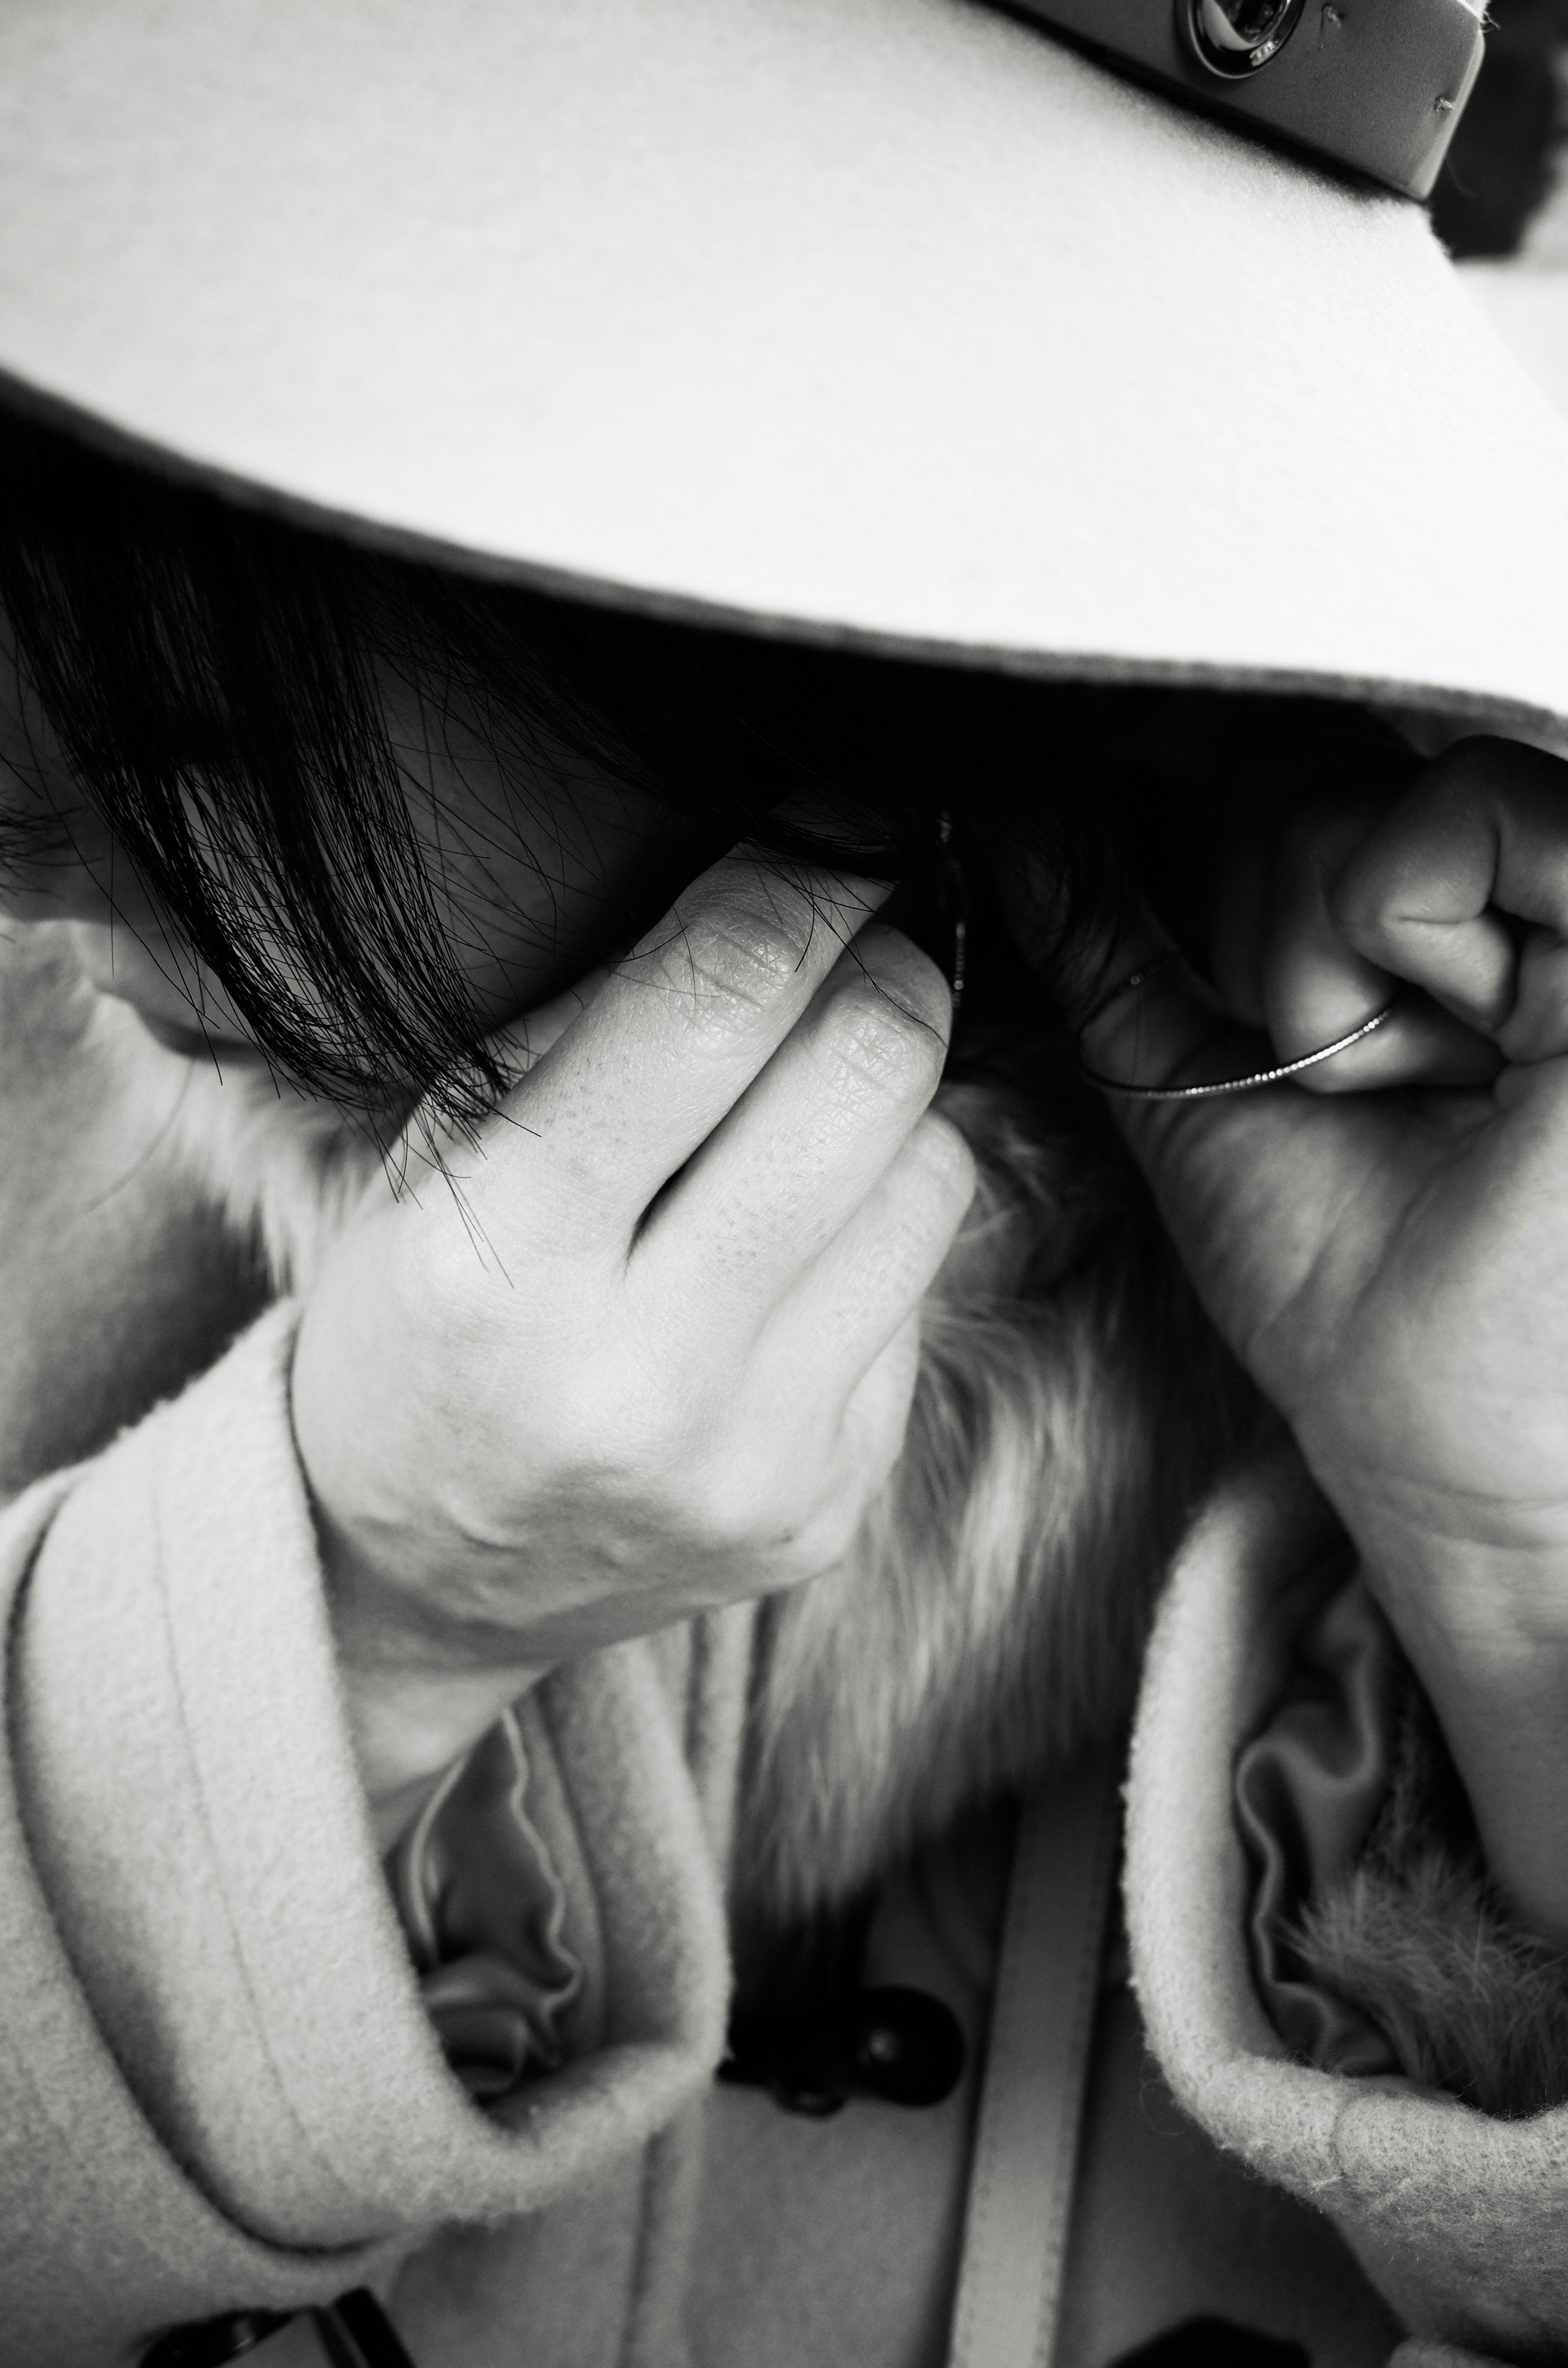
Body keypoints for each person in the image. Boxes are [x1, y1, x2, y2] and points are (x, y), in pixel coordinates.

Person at [3, 3, 1568, 2364]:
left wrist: (1522, 1587)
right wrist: (344, 1606)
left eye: (181, 725)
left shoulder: (1480, 1181)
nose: (23, 864)